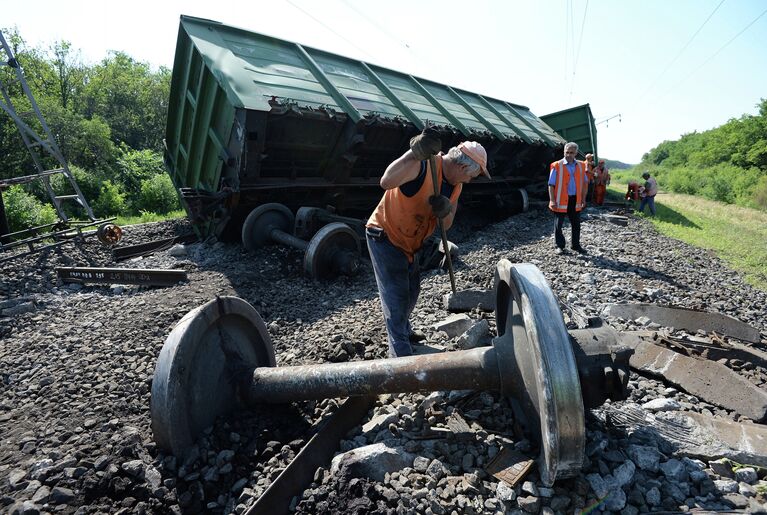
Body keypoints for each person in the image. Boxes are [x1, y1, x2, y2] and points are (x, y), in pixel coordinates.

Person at [366, 128, 490, 358]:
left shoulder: (456, 184)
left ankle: (404, 330)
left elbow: (447, 225)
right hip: (385, 234)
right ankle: (400, 356)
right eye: (473, 175)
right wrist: (413, 153)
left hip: (411, 241)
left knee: (412, 290)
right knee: (396, 296)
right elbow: (386, 181)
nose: (471, 180)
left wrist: (444, 211)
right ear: (463, 167)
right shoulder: (424, 165)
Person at [549, 142, 590, 255]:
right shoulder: (557, 165)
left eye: (571, 152)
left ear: (576, 153)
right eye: (567, 152)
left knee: (576, 224)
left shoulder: (581, 166)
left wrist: (583, 198)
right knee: (558, 225)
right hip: (560, 200)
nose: (569, 155)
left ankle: (575, 245)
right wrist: (552, 200)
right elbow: (551, 184)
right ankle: (559, 246)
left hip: (575, 200)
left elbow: (585, 183)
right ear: (564, 152)